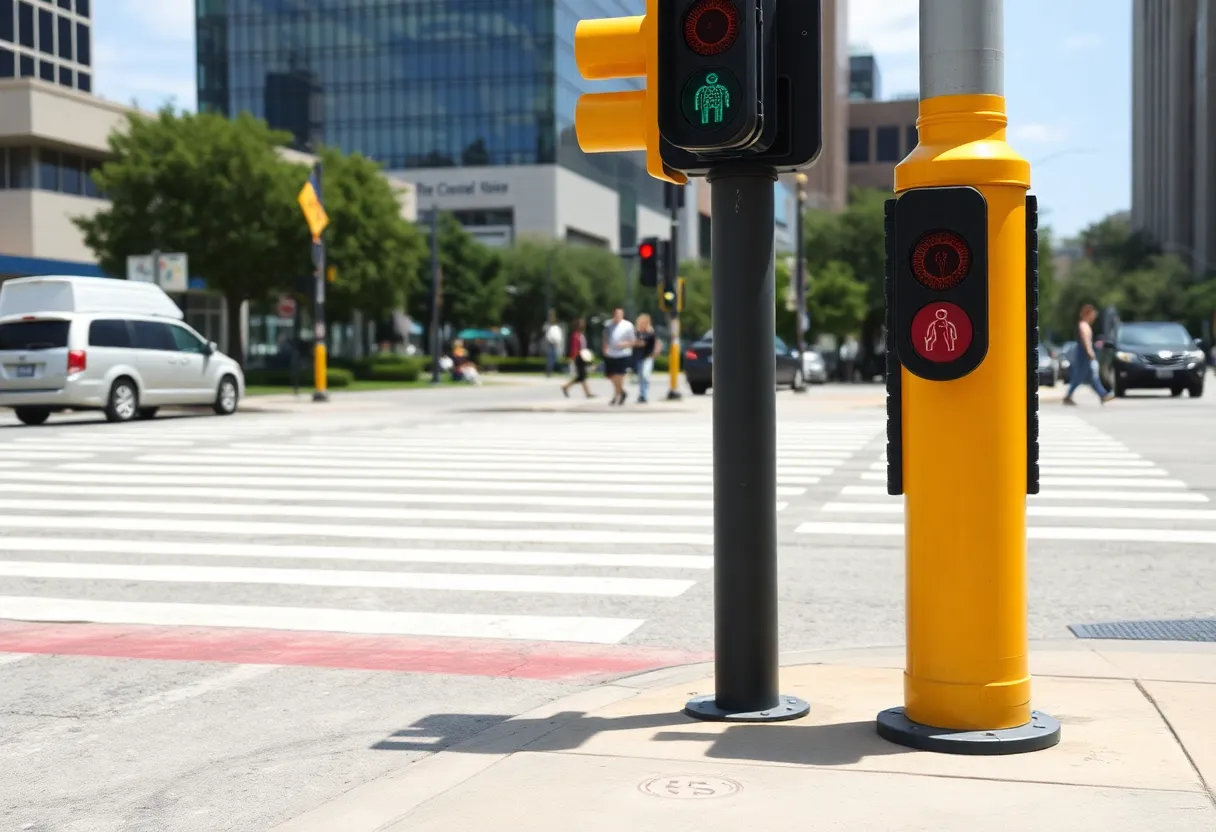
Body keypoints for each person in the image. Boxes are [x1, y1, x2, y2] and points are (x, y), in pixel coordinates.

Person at [1064, 303, 1113, 405]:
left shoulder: (1083, 325)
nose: (1094, 317)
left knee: (1089, 377)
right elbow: (1086, 340)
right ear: (1087, 314)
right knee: (1081, 377)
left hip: (1083, 354)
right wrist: (1090, 352)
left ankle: (1102, 394)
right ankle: (1102, 394)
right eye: (1092, 314)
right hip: (1084, 354)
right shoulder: (1084, 326)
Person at [602, 307, 636, 405]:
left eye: (619, 314)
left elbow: (633, 341)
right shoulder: (608, 324)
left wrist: (624, 344)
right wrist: (604, 347)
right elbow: (605, 336)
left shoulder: (628, 325)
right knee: (611, 375)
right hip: (611, 353)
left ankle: (616, 396)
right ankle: (622, 392)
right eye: (616, 314)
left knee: (619, 375)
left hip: (623, 353)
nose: (618, 316)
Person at [561, 318, 595, 398]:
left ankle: (567, 387)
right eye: (581, 324)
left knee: (582, 376)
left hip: (582, 356)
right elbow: (574, 348)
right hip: (579, 358)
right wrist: (574, 357)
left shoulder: (581, 335)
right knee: (582, 376)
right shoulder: (575, 335)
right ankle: (567, 387)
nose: (583, 325)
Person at [632, 313, 660, 403]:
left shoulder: (650, 333)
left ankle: (644, 394)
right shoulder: (637, 333)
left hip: (648, 357)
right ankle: (642, 394)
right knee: (641, 377)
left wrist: (656, 352)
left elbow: (654, 343)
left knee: (645, 375)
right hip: (639, 357)